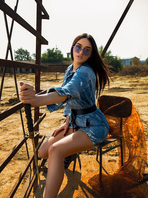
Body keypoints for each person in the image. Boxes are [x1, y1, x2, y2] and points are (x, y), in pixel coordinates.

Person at [20, 33, 110, 198]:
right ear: (72, 47)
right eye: (78, 47)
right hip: (76, 122)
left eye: (87, 50)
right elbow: (69, 100)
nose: (81, 52)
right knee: (42, 152)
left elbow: (65, 93)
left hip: (94, 126)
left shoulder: (86, 73)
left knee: (55, 150)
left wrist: (35, 100)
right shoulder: (70, 69)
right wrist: (67, 120)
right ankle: (69, 152)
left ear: (91, 55)